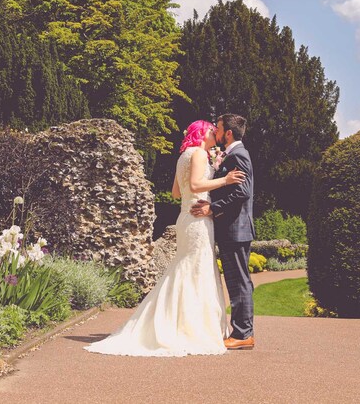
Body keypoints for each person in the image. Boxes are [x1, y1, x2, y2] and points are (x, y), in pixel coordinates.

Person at [84, 120, 245, 356]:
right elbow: (196, 184)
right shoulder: (199, 153)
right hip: (198, 218)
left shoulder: (184, 156)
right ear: (202, 133)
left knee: (185, 267)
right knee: (196, 269)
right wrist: (225, 180)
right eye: (211, 130)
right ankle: (190, 328)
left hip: (185, 216)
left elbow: (176, 192)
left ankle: (171, 322)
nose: (214, 134)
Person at [191, 113, 256, 350]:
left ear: (228, 132)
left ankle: (243, 334)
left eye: (218, 128)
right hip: (230, 229)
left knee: (240, 283)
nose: (215, 132)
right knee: (236, 282)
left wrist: (212, 208)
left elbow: (243, 192)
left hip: (236, 229)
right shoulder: (232, 155)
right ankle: (240, 331)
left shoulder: (239, 155)